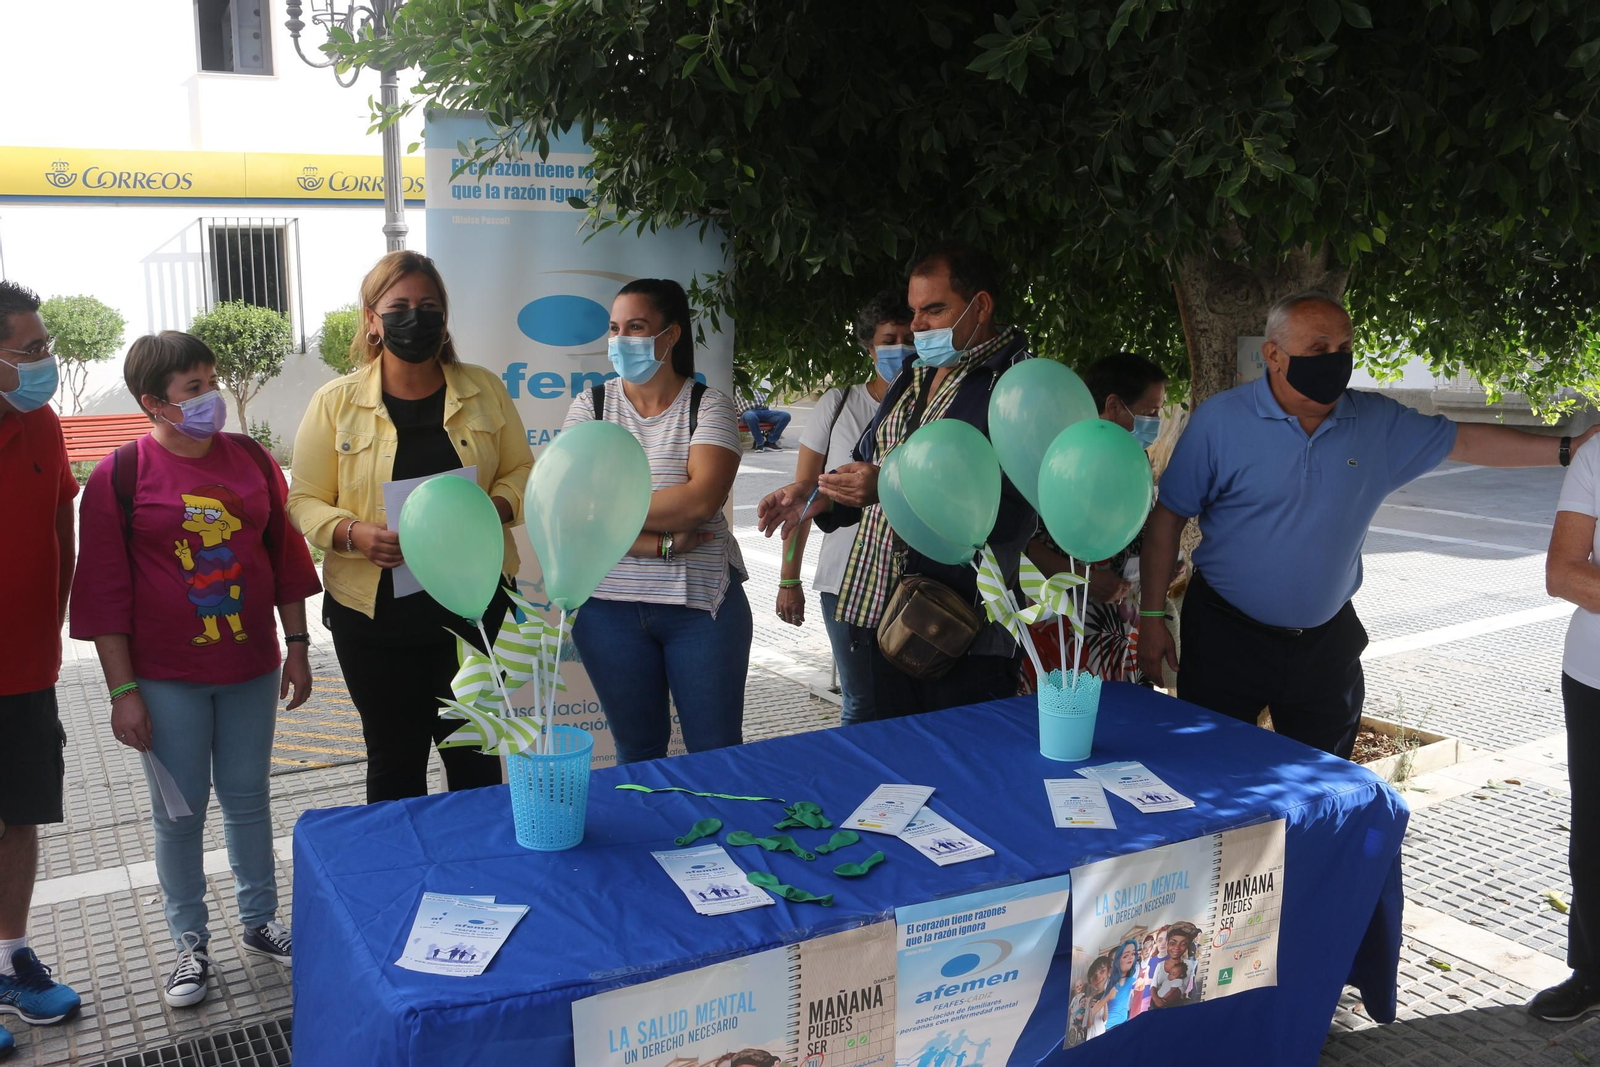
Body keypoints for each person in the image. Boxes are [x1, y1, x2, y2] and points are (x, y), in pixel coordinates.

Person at [1139, 289, 1600, 757]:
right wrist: (1153, 615)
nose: (1335, 361)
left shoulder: (1376, 422)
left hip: (1324, 647)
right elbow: (1168, 518)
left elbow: (1465, 442)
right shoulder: (1221, 421)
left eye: (1344, 349)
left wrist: (1567, 450)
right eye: (1319, 349)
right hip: (1225, 638)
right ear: (1274, 355)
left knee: (1325, 784)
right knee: (1211, 770)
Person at [71, 332, 319, 1008]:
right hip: (164, 676)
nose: (211, 398)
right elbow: (102, 594)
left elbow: (286, 557)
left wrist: (296, 644)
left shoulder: (252, 459)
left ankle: (260, 918)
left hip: (250, 666)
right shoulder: (121, 476)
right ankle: (189, 942)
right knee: (179, 815)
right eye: (193, 388)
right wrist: (124, 692)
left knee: (247, 796)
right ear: (154, 402)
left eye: (212, 381)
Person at [287, 251, 533, 802]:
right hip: (375, 619)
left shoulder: (484, 389)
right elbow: (303, 499)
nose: (415, 318)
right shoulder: (336, 402)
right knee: (394, 762)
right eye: (399, 307)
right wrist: (353, 533)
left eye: (429, 307)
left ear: (445, 317)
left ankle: (478, 875)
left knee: (474, 759)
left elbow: (522, 470)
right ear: (372, 318)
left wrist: (493, 507)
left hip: (475, 611)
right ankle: (401, 886)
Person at [757, 244, 1035, 719]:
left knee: (956, 771)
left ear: (981, 306)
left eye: (934, 309)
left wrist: (889, 486)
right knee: (891, 774)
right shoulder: (913, 374)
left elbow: (1012, 510)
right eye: (913, 311)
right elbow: (870, 463)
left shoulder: (1016, 386)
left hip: (957, 626)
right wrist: (820, 494)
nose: (918, 326)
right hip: (878, 609)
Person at [562, 279, 750, 763]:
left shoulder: (708, 406)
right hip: (608, 611)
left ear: (670, 336)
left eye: (636, 327)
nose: (621, 340)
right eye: (614, 328)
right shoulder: (591, 407)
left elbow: (699, 503)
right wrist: (660, 545)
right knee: (638, 752)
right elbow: (572, 511)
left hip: (699, 610)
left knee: (716, 754)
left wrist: (608, 511)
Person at [0, 282, 81, 1054]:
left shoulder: (43, 423)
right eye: (30, 353)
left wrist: (51, 617)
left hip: (25, 666)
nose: (44, 364)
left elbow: (62, 513)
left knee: (17, 813)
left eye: (43, 347)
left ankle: (8, 958)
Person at [774, 288, 915, 724]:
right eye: (889, 340)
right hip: (845, 582)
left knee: (911, 702)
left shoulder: (929, 408)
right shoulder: (838, 404)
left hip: (915, 580)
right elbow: (801, 499)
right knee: (862, 702)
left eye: (909, 339)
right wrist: (788, 578)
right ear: (869, 347)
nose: (901, 349)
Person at [1024, 351, 1169, 688]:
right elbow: (1024, 544)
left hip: (1117, 625)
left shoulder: (1137, 460)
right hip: (1060, 621)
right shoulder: (1061, 459)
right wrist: (1082, 579)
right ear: (1115, 405)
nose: (1157, 421)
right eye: (1151, 412)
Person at [1533, 430, 1600, 1021]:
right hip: (1594, 677)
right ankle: (1593, 970)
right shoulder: (1596, 456)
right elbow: (1564, 574)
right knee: (1596, 831)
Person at [1096, 939, 1146, 1031]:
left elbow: (1139, 987)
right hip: (1107, 1027)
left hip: (1123, 1023)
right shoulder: (1106, 982)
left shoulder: (1132, 981)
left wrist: (1141, 983)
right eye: (1113, 961)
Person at [1151, 923, 1200, 1007]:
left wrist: (1165, 1001)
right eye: (1173, 943)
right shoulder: (1160, 965)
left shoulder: (1188, 964)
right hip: (1154, 1007)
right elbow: (1153, 986)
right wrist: (1156, 1000)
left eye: (1183, 944)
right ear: (1168, 944)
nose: (1177, 948)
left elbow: (1181, 988)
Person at [735, 380, 791, 452]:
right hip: (748, 412)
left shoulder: (756, 384)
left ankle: (770, 442)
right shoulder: (735, 386)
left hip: (765, 411)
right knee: (751, 416)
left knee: (785, 416)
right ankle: (759, 443)